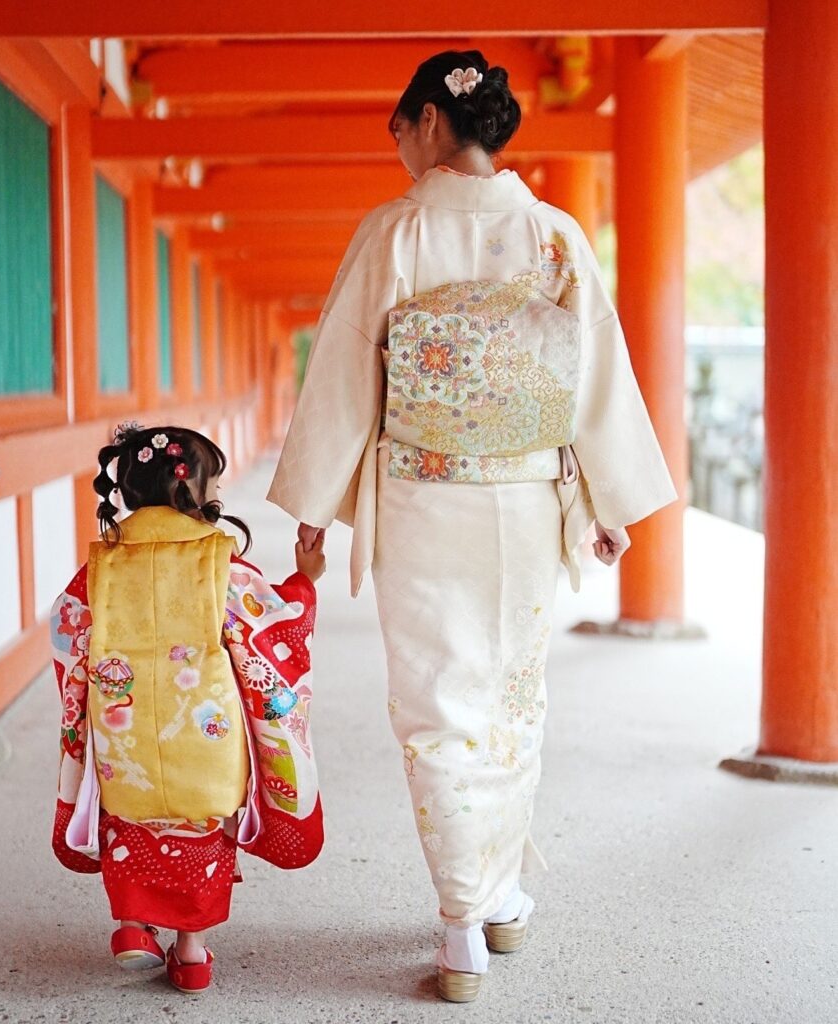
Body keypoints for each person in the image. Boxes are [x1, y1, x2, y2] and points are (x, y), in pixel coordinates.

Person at [267, 50, 677, 1002]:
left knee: (436, 708)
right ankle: (495, 900)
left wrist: (315, 513)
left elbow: (341, 375)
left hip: (422, 499)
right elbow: (594, 373)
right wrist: (606, 502)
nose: (397, 145)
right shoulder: (553, 236)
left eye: (398, 129)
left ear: (425, 123)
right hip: (526, 501)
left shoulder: (394, 232)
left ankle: (464, 920)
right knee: (510, 701)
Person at [50, 423, 325, 994]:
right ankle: (191, 952)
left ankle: (131, 928)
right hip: (205, 733)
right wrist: (304, 579)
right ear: (195, 491)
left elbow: (69, 625)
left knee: (131, 823)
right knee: (200, 830)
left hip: (121, 730)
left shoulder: (102, 565)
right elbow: (272, 627)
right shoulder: (219, 561)